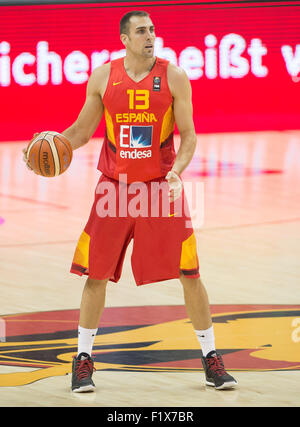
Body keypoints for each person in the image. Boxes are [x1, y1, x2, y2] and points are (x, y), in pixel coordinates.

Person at [23, 11, 237, 392]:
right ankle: (83, 360)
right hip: (114, 190)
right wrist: (42, 149)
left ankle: (211, 359)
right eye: (141, 31)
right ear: (124, 39)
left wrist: (179, 171)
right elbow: (81, 131)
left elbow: (188, 135)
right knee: (96, 275)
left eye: (152, 30)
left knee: (190, 274)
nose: (150, 36)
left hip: (159, 188)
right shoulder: (104, 77)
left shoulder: (174, 76)